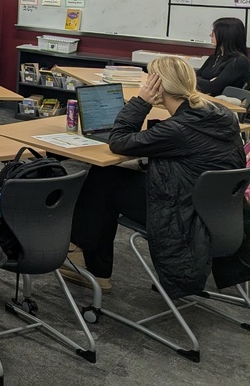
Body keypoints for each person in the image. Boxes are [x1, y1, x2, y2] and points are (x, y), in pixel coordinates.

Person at [64, 56, 244, 296]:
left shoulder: (177, 129)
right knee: (110, 179)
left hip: (184, 217)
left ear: (158, 86)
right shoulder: (220, 114)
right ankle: (84, 254)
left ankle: (90, 263)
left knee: (103, 180)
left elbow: (118, 141)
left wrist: (141, 101)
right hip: (220, 212)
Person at [195, 17, 250, 96]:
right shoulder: (214, 57)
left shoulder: (238, 61)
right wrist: (207, 82)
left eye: (214, 33)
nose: (210, 35)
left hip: (221, 104)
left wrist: (202, 81)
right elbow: (193, 76)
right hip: (205, 98)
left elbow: (213, 88)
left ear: (226, 35)